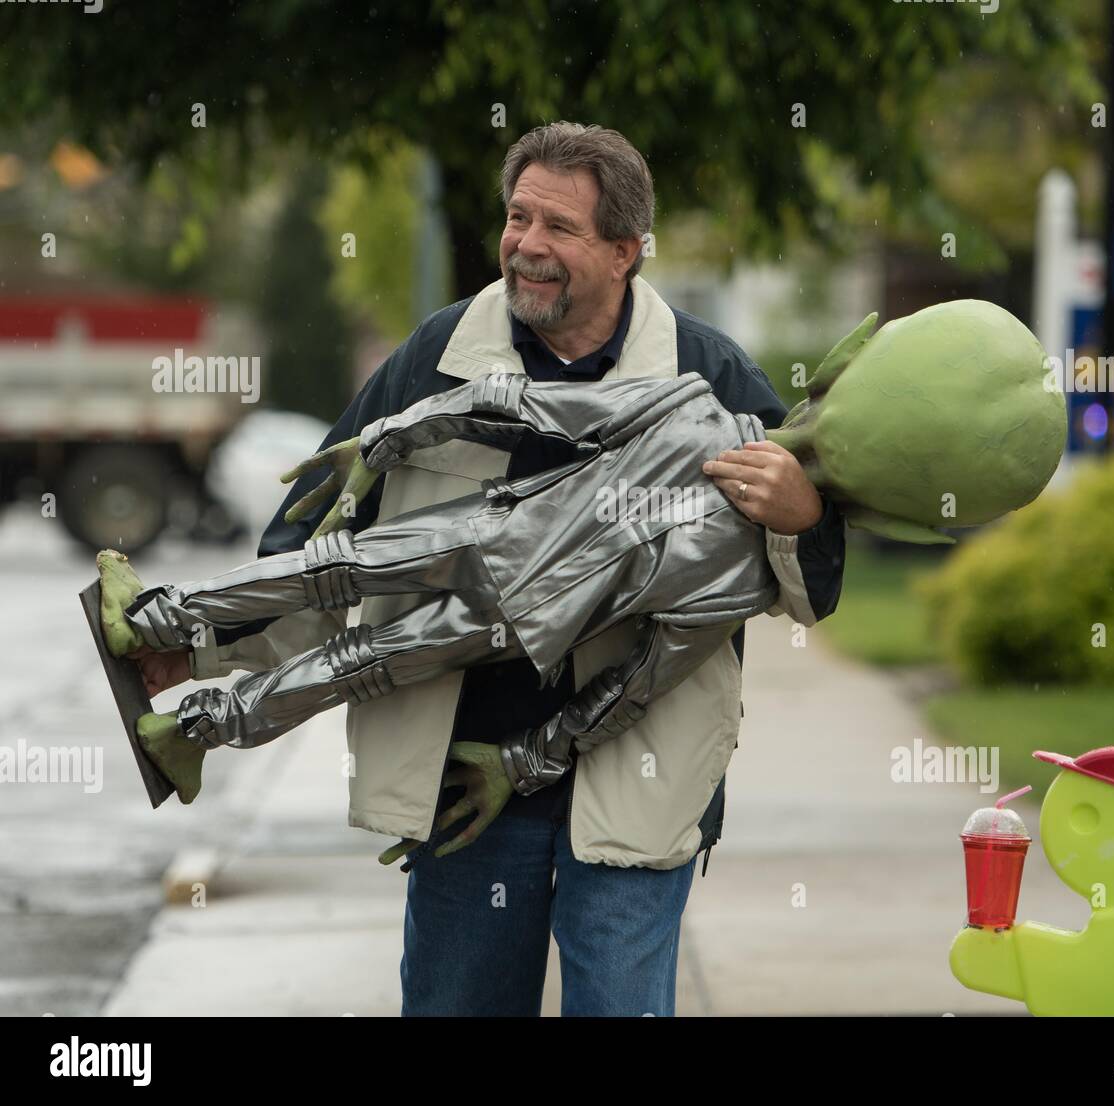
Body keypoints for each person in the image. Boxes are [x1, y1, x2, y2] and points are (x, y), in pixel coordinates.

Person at [133, 122, 845, 1016]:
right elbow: (311, 547)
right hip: (464, 789)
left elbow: (806, 590)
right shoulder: (436, 359)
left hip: (635, 784)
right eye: (518, 218)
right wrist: (198, 651)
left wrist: (803, 517)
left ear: (625, 251)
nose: (527, 247)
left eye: (560, 228)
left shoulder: (712, 375)